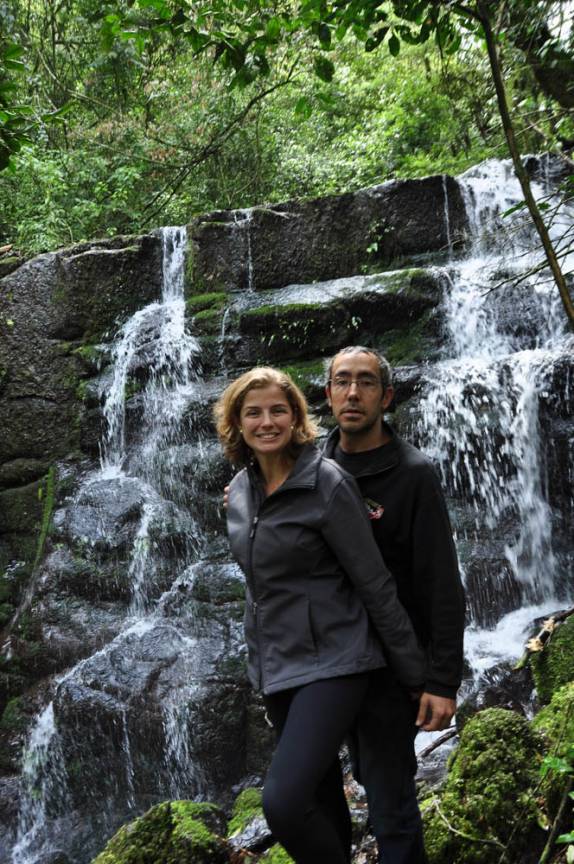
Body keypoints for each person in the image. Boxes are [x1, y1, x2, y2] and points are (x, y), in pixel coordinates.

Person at [214, 366, 426, 864]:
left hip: (336, 662)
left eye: (278, 411)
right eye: (254, 412)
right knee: (321, 806)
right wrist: (257, 667)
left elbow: (374, 582)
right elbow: (259, 586)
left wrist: (419, 675)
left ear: (296, 417)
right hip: (279, 667)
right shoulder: (241, 493)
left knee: (283, 804)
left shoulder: (327, 482)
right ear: (237, 423)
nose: (267, 422)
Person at [323, 345, 465, 864]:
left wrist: (441, 679)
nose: (352, 392)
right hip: (328, 665)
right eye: (342, 381)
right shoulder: (311, 467)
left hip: (390, 669)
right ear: (328, 394)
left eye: (365, 382)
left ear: (386, 396)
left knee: (391, 802)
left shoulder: (413, 474)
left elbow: (442, 583)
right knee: (344, 783)